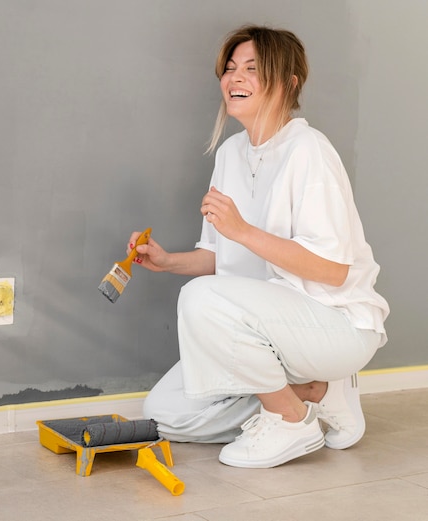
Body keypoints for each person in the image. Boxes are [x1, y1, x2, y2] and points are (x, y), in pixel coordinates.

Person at [126, 25, 389, 469]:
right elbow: (220, 258)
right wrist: (168, 261)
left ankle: (288, 421)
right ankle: (314, 393)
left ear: (288, 82)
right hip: (271, 330)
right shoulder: (230, 154)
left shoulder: (309, 150)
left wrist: (244, 230)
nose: (235, 78)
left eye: (251, 68)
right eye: (229, 69)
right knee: (164, 413)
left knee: (200, 300)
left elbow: (334, 271)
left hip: (335, 325)